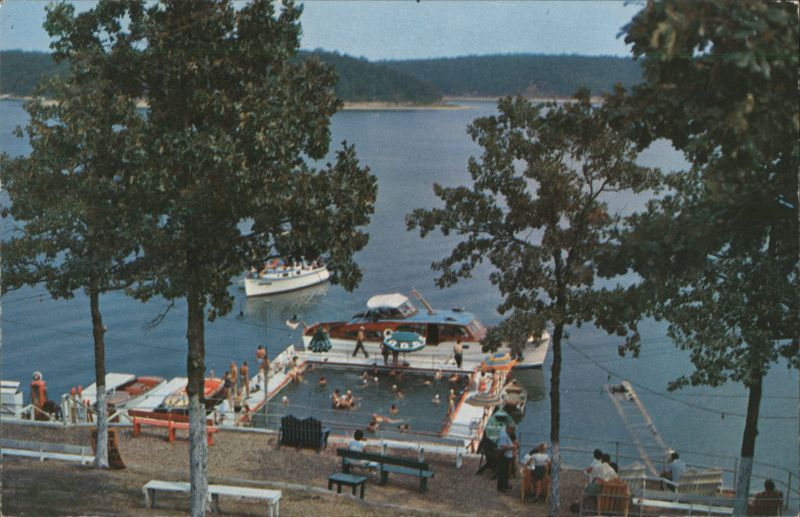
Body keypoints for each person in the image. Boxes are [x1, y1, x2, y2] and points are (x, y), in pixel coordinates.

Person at [495, 424, 517, 492]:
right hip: (504, 455)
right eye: (512, 430)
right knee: (503, 472)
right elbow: (503, 446)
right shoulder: (503, 435)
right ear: (508, 428)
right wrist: (512, 447)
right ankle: (501, 487)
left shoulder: (504, 432)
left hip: (507, 455)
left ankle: (505, 484)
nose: (512, 432)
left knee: (506, 471)